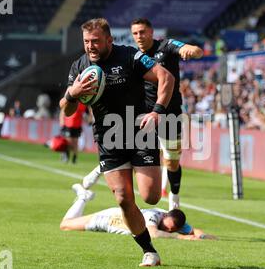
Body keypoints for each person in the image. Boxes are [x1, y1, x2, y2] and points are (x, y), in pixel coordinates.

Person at [59, 18, 174, 267]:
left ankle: (153, 215)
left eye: (96, 41)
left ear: (109, 40)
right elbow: (66, 110)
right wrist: (72, 94)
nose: (91, 46)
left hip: (139, 129)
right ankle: (149, 251)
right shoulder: (80, 66)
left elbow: (166, 78)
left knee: (151, 196)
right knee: (123, 198)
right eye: (87, 41)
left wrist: (157, 111)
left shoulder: (129, 56)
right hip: (108, 136)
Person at [81, 18, 203, 211]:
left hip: (170, 114)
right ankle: (100, 170)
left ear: (152, 32)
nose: (139, 36)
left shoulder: (166, 45)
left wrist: (192, 51)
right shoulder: (132, 56)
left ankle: (174, 198)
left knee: (171, 161)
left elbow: (193, 49)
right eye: (135, 33)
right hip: (145, 113)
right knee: (128, 146)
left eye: (143, 32)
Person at [60, 184, 216, 241]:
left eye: (171, 230)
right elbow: (153, 234)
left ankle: (83, 197)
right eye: (167, 227)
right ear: (165, 216)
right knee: (65, 225)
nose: (167, 230)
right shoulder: (153, 217)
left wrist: (201, 236)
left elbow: (194, 230)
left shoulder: (172, 221)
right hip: (109, 219)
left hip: (114, 220)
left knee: (68, 224)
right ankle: (83, 197)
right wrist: (181, 237)